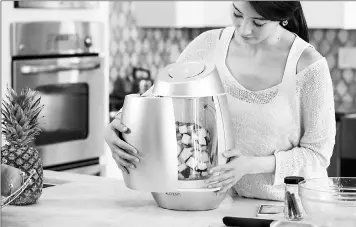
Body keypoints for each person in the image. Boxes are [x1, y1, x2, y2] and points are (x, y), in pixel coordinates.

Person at [104, 1, 336, 201]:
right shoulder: (207, 46)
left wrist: (249, 165)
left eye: (258, 22)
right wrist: (116, 126)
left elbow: (317, 156)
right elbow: (157, 98)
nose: (245, 29)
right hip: (224, 206)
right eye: (237, 13)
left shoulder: (308, 65)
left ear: (282, 17)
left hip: (291, 208)